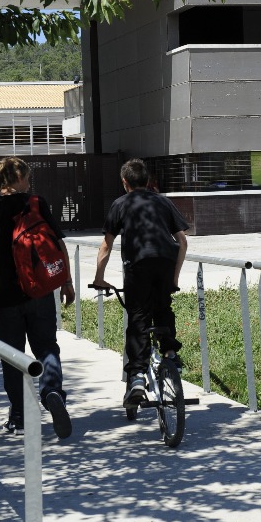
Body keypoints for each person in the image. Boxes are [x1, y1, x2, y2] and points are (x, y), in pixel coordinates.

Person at [0, 157, 75, 438]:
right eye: (26, 177)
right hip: (40, 291)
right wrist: (66, 281)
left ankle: (19, 416)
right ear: (17, 179)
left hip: (6, 297)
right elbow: (57, 244)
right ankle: (52, 391)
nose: (29, 182)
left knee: (12, 357)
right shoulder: (36, 203)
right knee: (46, 348)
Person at [93, 158, 189, 407]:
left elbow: (107, 244)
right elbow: (182, 241)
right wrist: (174, 278)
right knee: (163, 308)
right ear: (148, 181)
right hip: (166, 262)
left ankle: (136, 377)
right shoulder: (163, 201)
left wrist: (99, 278)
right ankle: (170, 353)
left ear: (125, 182)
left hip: (139, 265)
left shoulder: (120, 204)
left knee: (138, 317)